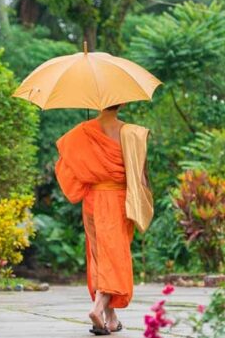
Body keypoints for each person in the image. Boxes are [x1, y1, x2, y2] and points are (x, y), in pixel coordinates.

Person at [54, 103, 152, 336]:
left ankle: (110, 319)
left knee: (100, 255)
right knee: (115, 256)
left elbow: (66, 164)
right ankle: (98, 308)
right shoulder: (132, 132)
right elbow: (140, 173)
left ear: (97, 104)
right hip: (118, 200)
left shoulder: (83, 131)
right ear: (124, 103)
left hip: (93, 201)